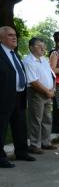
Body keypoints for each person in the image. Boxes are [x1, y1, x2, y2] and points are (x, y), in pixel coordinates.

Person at [0, 26, 36, 168]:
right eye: (10, 35)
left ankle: (21, 152)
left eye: (15, 35)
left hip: (19, 95)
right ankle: (1, 158)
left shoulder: (14, 54)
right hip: (4, 96)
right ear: (1, 38)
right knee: (1, 127)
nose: (14, 37)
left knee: (20, 125)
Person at [23, 37, 57, 154]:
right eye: (39, 45)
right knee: (36, 119)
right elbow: (33, 81)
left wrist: (52, 89)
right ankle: (34, 145)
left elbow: (51, 75)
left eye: (43, 45)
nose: (43, 48)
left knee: (47, 118)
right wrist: (47, 91)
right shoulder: (28, 61)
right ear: (31, 47)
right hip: (36, 93)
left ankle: (46, 142)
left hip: (48, 92)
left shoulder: (44, 59)